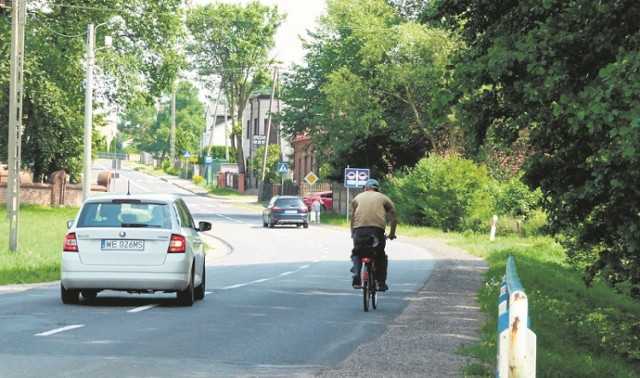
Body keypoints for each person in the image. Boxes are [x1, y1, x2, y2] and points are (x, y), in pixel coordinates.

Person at [349, 178, 397, 291]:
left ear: (365, 188)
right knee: (380, 255)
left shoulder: (357, 198)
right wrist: (391, 234)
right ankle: (381, 282)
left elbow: (353, 217)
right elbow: (393, 219)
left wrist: (353, 233)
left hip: (359, 231)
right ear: (377, 189)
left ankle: (356, 273)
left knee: (357, 252)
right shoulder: (384, 198)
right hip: (377, 231)